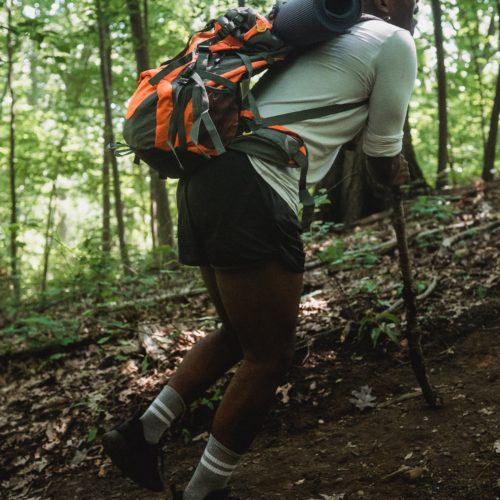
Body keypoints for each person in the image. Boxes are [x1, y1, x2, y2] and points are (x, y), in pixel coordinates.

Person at [102, 1, 420, 498]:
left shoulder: (310, 40)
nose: (418, 5)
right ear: (381, 2)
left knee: (238, 333)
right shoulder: (393, 42)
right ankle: (206, 489)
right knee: (269, 356)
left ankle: (140, 434)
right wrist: (393, 172)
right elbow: (381, 153)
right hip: (253, 185)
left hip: (205, 178)